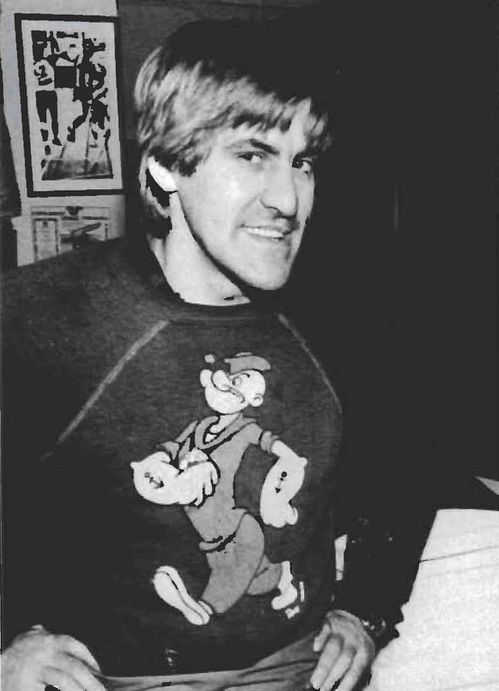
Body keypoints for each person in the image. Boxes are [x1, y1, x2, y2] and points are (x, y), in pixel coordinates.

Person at [1, 19, 435, 691]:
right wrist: (11, 638)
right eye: (252, 155)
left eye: (303, 162)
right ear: (165, 165)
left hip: (295, 665)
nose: (288, 199)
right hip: (111, 675)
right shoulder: (38, 315)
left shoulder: (347, 318)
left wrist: (365, 610)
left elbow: (402, 471)